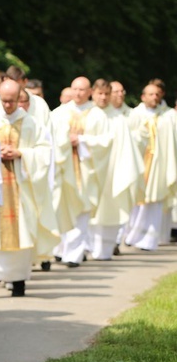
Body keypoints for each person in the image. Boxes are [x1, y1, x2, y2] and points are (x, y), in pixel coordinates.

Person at [0, 79, 52, 296]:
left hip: (21, 188)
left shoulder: (31, 123)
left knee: (22, 231)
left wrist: (21, 154)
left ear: (20, 98)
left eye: (11, 101)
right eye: (4, 101)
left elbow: (45, 151)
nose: (7, 105)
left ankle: (19, 281)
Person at [51, 76, 111, 267]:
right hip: (64, 170)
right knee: (63, 209)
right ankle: (60, 249)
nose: (78, 93)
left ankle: (74, 255)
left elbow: (105, 142)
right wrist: (65, 140)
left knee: (82, 211)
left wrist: (82, 141)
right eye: (75, 89)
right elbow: (50, 138)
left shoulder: (98, 115)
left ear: (90, 92)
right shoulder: (59, 113)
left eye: (82, 90)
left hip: (86, 172)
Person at [87, 79, 142, 260]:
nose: (103, 97)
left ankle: (107, 250)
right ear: (93, 93)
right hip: (91, 171)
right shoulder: (88, 115)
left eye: (106, 94)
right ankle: (90, 248)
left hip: (113, 172)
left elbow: (126, 147)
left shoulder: (118, 119)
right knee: (91, 210)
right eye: (99, 93)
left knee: (111, 209)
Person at [124, 83, 177, 250]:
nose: (154, 97)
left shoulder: (168, 116)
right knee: (135, 200)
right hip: (140, 163)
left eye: (157, 94)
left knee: (155, 202)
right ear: (143, 96)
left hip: (159, 165)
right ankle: (131, 235)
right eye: (150, 94)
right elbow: (128, 139)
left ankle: (149, 240)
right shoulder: (135, 115)